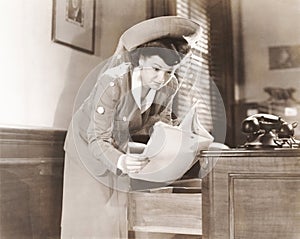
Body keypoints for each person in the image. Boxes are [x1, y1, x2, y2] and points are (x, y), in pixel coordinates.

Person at [60, 16, 200, 238]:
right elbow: (97, 138)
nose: (161, 78)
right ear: (139, 60)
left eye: (169, 71)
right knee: (95, 220)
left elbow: (158, 120)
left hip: (119, 145)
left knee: (120, 214)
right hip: (86, 147)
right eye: (155, 68)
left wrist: (177, 136)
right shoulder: (112, 82)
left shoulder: (169, 85)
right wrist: (120, 160)